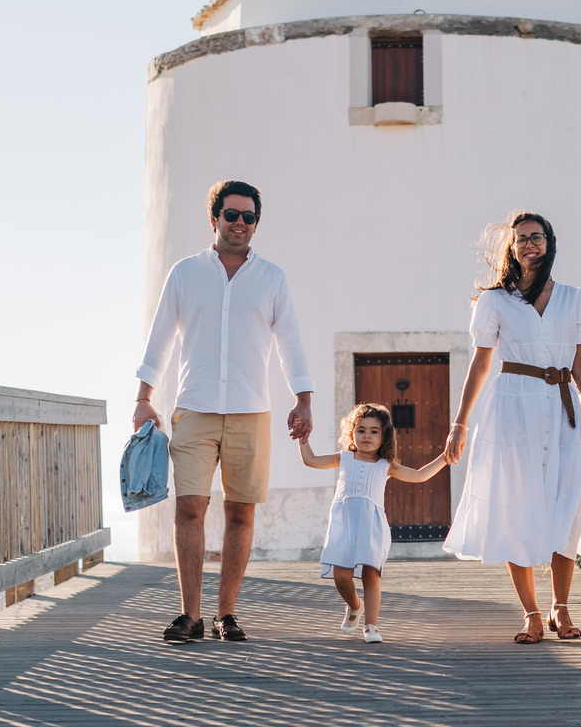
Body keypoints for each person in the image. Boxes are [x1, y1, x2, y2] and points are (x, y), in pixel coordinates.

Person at [134, 179, 314, 643]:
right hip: (193, 408)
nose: (240, 223)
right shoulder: (185, 273)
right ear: (213, 219)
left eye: (248, 217)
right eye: (231, 215)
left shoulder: (272, 278)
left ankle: (225, 615)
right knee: (190, 508)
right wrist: (142, 397)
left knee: (241, 514)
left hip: (251, 411)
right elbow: (161, 338)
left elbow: (290, 341)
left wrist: (303, 397)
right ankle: (189, 615)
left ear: (256, 223)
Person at [442, 211, 581, 644]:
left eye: (536, 237)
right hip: (513, 407)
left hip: (561, 407)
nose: (528, 245)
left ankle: (561, 607)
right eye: (520, 240)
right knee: (518, 505)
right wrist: (459, 423)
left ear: (549, 243)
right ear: (511, 248)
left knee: (563, 507)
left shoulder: (572, 298)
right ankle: (532, 613)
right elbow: (480, 364)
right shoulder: (495, 300)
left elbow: (580, 362)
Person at [299, 403, 449, 643]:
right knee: (341, 577)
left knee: (371, 576)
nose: (367, 435)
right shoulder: (345, 458)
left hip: (372, 526)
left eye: (374, 431)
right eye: (361, 430)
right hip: (344, 524)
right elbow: (311, 460)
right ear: (352, 434)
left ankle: (371, 626)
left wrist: (445, 458)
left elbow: (420, 475)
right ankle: (355, 606)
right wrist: (303, 438)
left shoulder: (385, 466)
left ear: (384, 437)